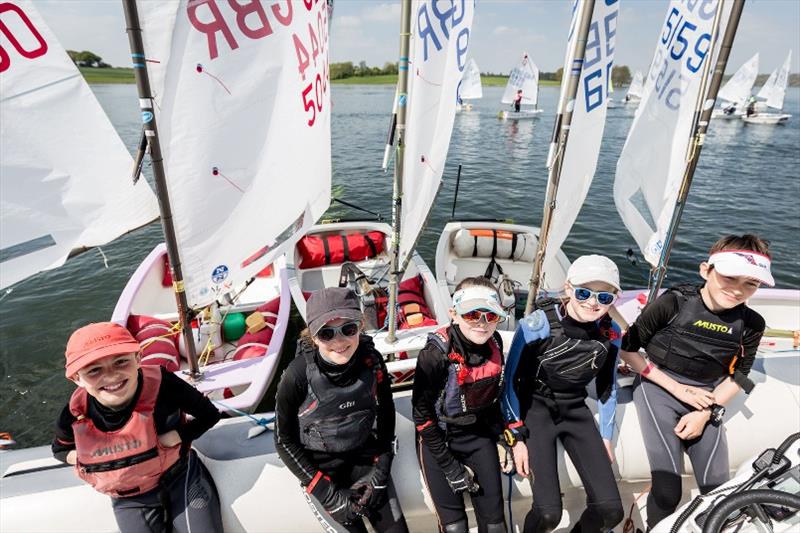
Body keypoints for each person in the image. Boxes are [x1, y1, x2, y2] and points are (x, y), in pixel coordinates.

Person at [619, 235, 771, 530]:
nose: (738, 290)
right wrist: (679, 390)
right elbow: (628, 349)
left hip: (707, 398)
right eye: (729, 277)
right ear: (706, 270)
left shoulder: (752, 324)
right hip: (658, 387)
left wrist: (705, 412)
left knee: (718, 491)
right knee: (667, 491)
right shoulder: (673, 302)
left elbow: (740, 375)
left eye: (750, 283)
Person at [52, 322, 223, 533]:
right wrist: (86, 457)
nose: (112, 376)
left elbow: (210, 415)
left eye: (121, 362)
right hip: (129, 500)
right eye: (94, 370)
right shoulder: (74, 414)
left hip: (180, 477)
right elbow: (58, 450)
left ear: (138, 358)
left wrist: (177, 435)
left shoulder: (165, 385)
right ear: (76, 378)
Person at [503, 255, 625, 533]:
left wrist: (606, 435)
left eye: (604, 297)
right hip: (535, 410)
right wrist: (516, 436)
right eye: (584, 292)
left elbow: (608, 386)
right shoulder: (536, 327)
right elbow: (510, 382)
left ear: (614, 299)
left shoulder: (612, 333)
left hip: (575, 409)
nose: (593, 303)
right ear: (568, 288)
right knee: (548, 515)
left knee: (611, 511)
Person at [275, 287, 408, 533]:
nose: (339, 342)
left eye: (348, 329)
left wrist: (382, 468)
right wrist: (327, 495)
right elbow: (284, 440)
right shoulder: (296, 375)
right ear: (313, 337)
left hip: (366, 461)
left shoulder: (372, 361)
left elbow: (387, 414)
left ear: (360, 327)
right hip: (322, 472)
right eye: (326, 333)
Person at [413, 277, 508, 533]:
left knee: (496, 526)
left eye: (491, 316)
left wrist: (502, 437)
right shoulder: (434, 356)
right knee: (455, 529)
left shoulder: (494, 342)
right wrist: (449, 466)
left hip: (478, 436)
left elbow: (492, 398)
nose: (482, 322)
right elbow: (421, 415)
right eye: (473, 314)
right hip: (440, 440)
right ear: (454, 314)